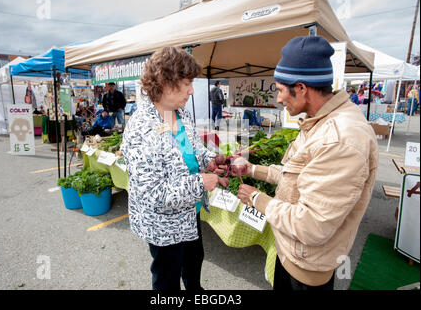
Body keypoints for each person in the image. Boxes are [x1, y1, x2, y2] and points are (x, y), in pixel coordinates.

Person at [227, 36, 378, 290]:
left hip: (307, 268)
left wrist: (257, 199)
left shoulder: (341, 140)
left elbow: (311, 225)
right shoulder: (318, 121)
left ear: (301, 88)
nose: (278, 99)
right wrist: (253, 169)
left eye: (280, 89)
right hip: (290, 253)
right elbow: (295, 177)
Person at [121, 47, 223, 291]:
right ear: (165, 82)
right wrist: (201, 183)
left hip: (189, 211)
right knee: (167, 277)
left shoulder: (181, 113)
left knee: (193, 261)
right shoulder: (141, 128)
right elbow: (153, 193)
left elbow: (194, 148)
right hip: (163, 223)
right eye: (187, 83)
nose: (191, 91)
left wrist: (210, 160)